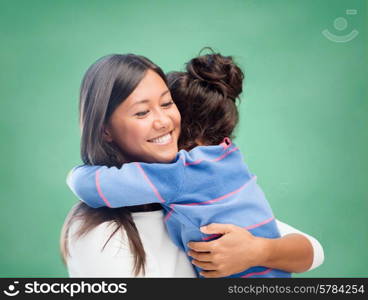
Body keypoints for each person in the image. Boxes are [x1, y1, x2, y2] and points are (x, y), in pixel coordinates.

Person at [60, 53, 324, 278]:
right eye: (142, 112)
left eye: (166, 103)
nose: (163, 121)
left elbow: (313, 250)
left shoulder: (185, 181)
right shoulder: (101, 230)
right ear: (105, 130)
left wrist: (258, 250)